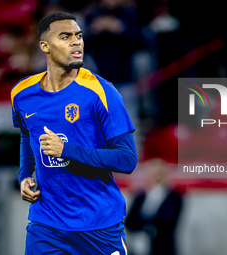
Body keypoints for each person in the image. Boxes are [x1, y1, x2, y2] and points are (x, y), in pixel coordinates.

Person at [10, 12, 137, 255]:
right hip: (47, 224)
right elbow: (28, 134)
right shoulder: (22, 93)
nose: (76, 41)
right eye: (65, 36)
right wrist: (25, 175)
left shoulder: (102, 92)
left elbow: (127, 159)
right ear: (45, 46)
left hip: (98, 225)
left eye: (78, 36)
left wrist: (66, 150)